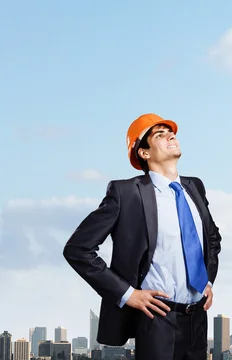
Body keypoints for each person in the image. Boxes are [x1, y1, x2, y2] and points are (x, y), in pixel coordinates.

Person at [63, 113, 222, 360]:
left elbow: (212, 238)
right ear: (144, 152)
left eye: (171, 132)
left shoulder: (195, 187)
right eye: (159, 134)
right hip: (156, 320)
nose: (171, 135)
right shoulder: (127, 194)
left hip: (198, 320)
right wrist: (128, 294)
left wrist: (208, 280)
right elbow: (77, 249)